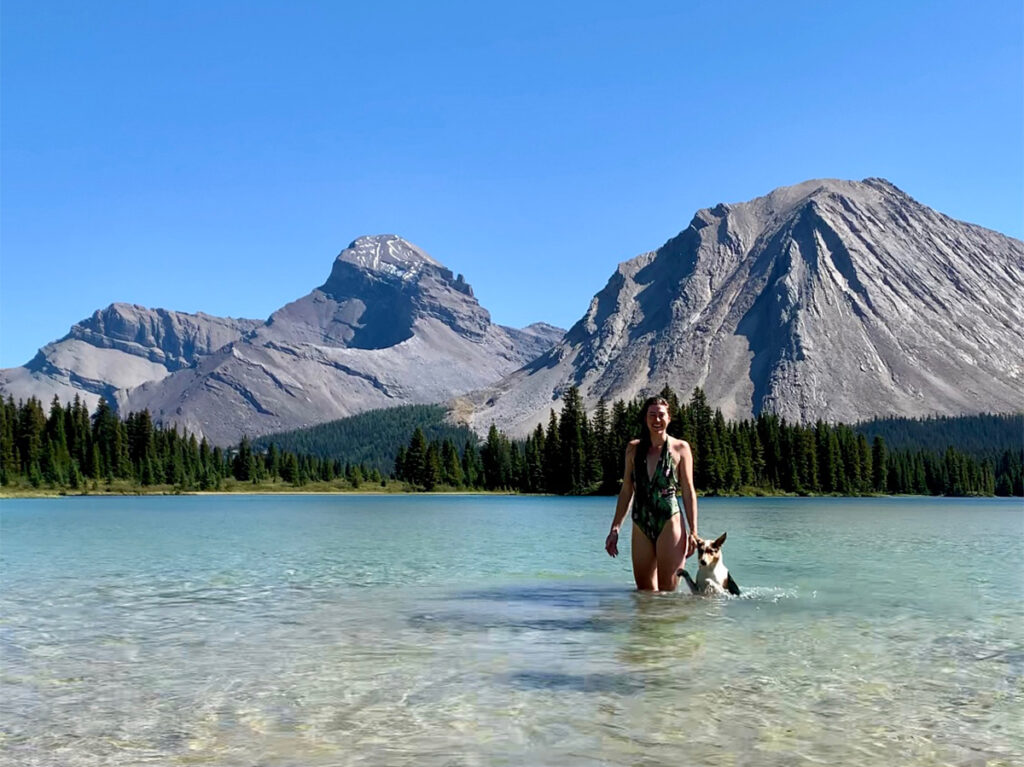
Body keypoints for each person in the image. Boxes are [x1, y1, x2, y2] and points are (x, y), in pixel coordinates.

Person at [604, 396, 697, 591]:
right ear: (645, 419)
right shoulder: (633, 449)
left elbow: (688, 491)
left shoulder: (681, 448)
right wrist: (615, 529)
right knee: (644, 592)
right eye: (652, 415)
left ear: (669, 418)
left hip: (669, 520)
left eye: (661, 415)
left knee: (667, 591)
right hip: (640, 521)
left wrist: (694, 532)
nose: (656, 420)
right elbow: (627, 489)